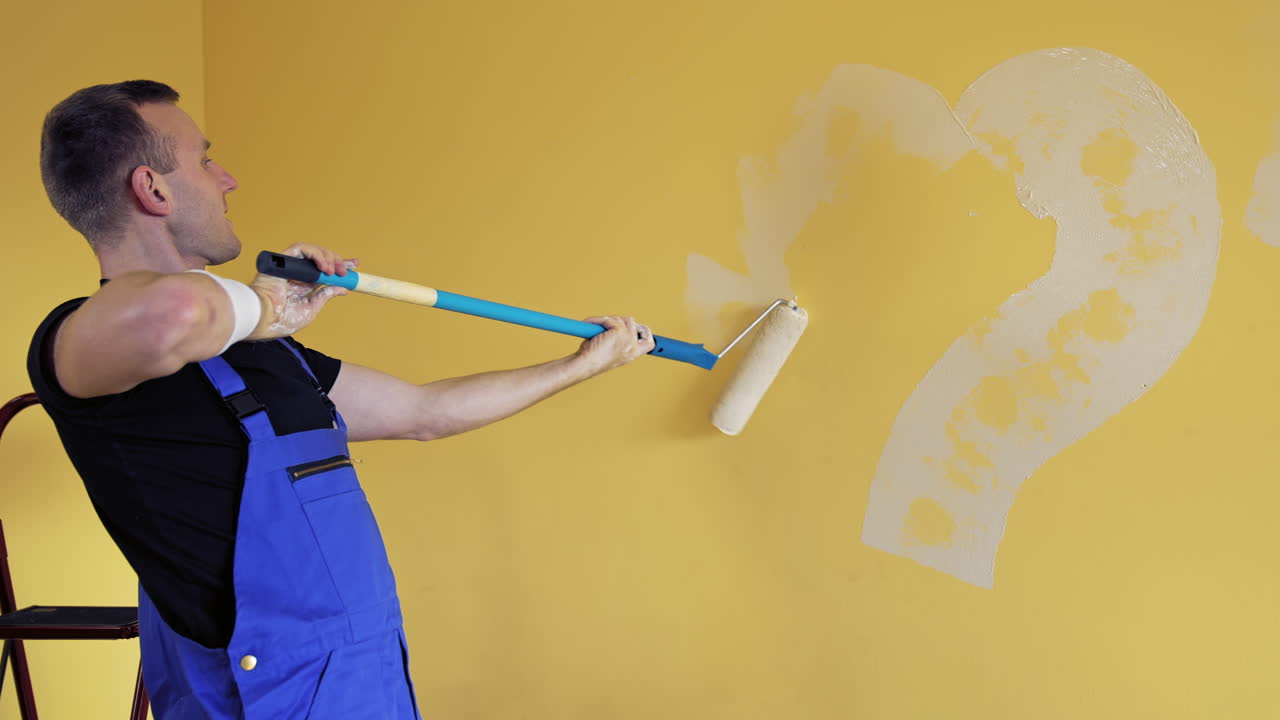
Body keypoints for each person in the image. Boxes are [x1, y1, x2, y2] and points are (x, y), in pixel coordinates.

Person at [27, 80, 655, 719]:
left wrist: (582, 365)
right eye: (206, 159)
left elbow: (424, 412)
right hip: (254, 695)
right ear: (152, 189)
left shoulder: (266, 349)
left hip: (357, 680)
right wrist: (266, 304)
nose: (229, 179)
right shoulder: (80, 342)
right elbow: (174, 310)